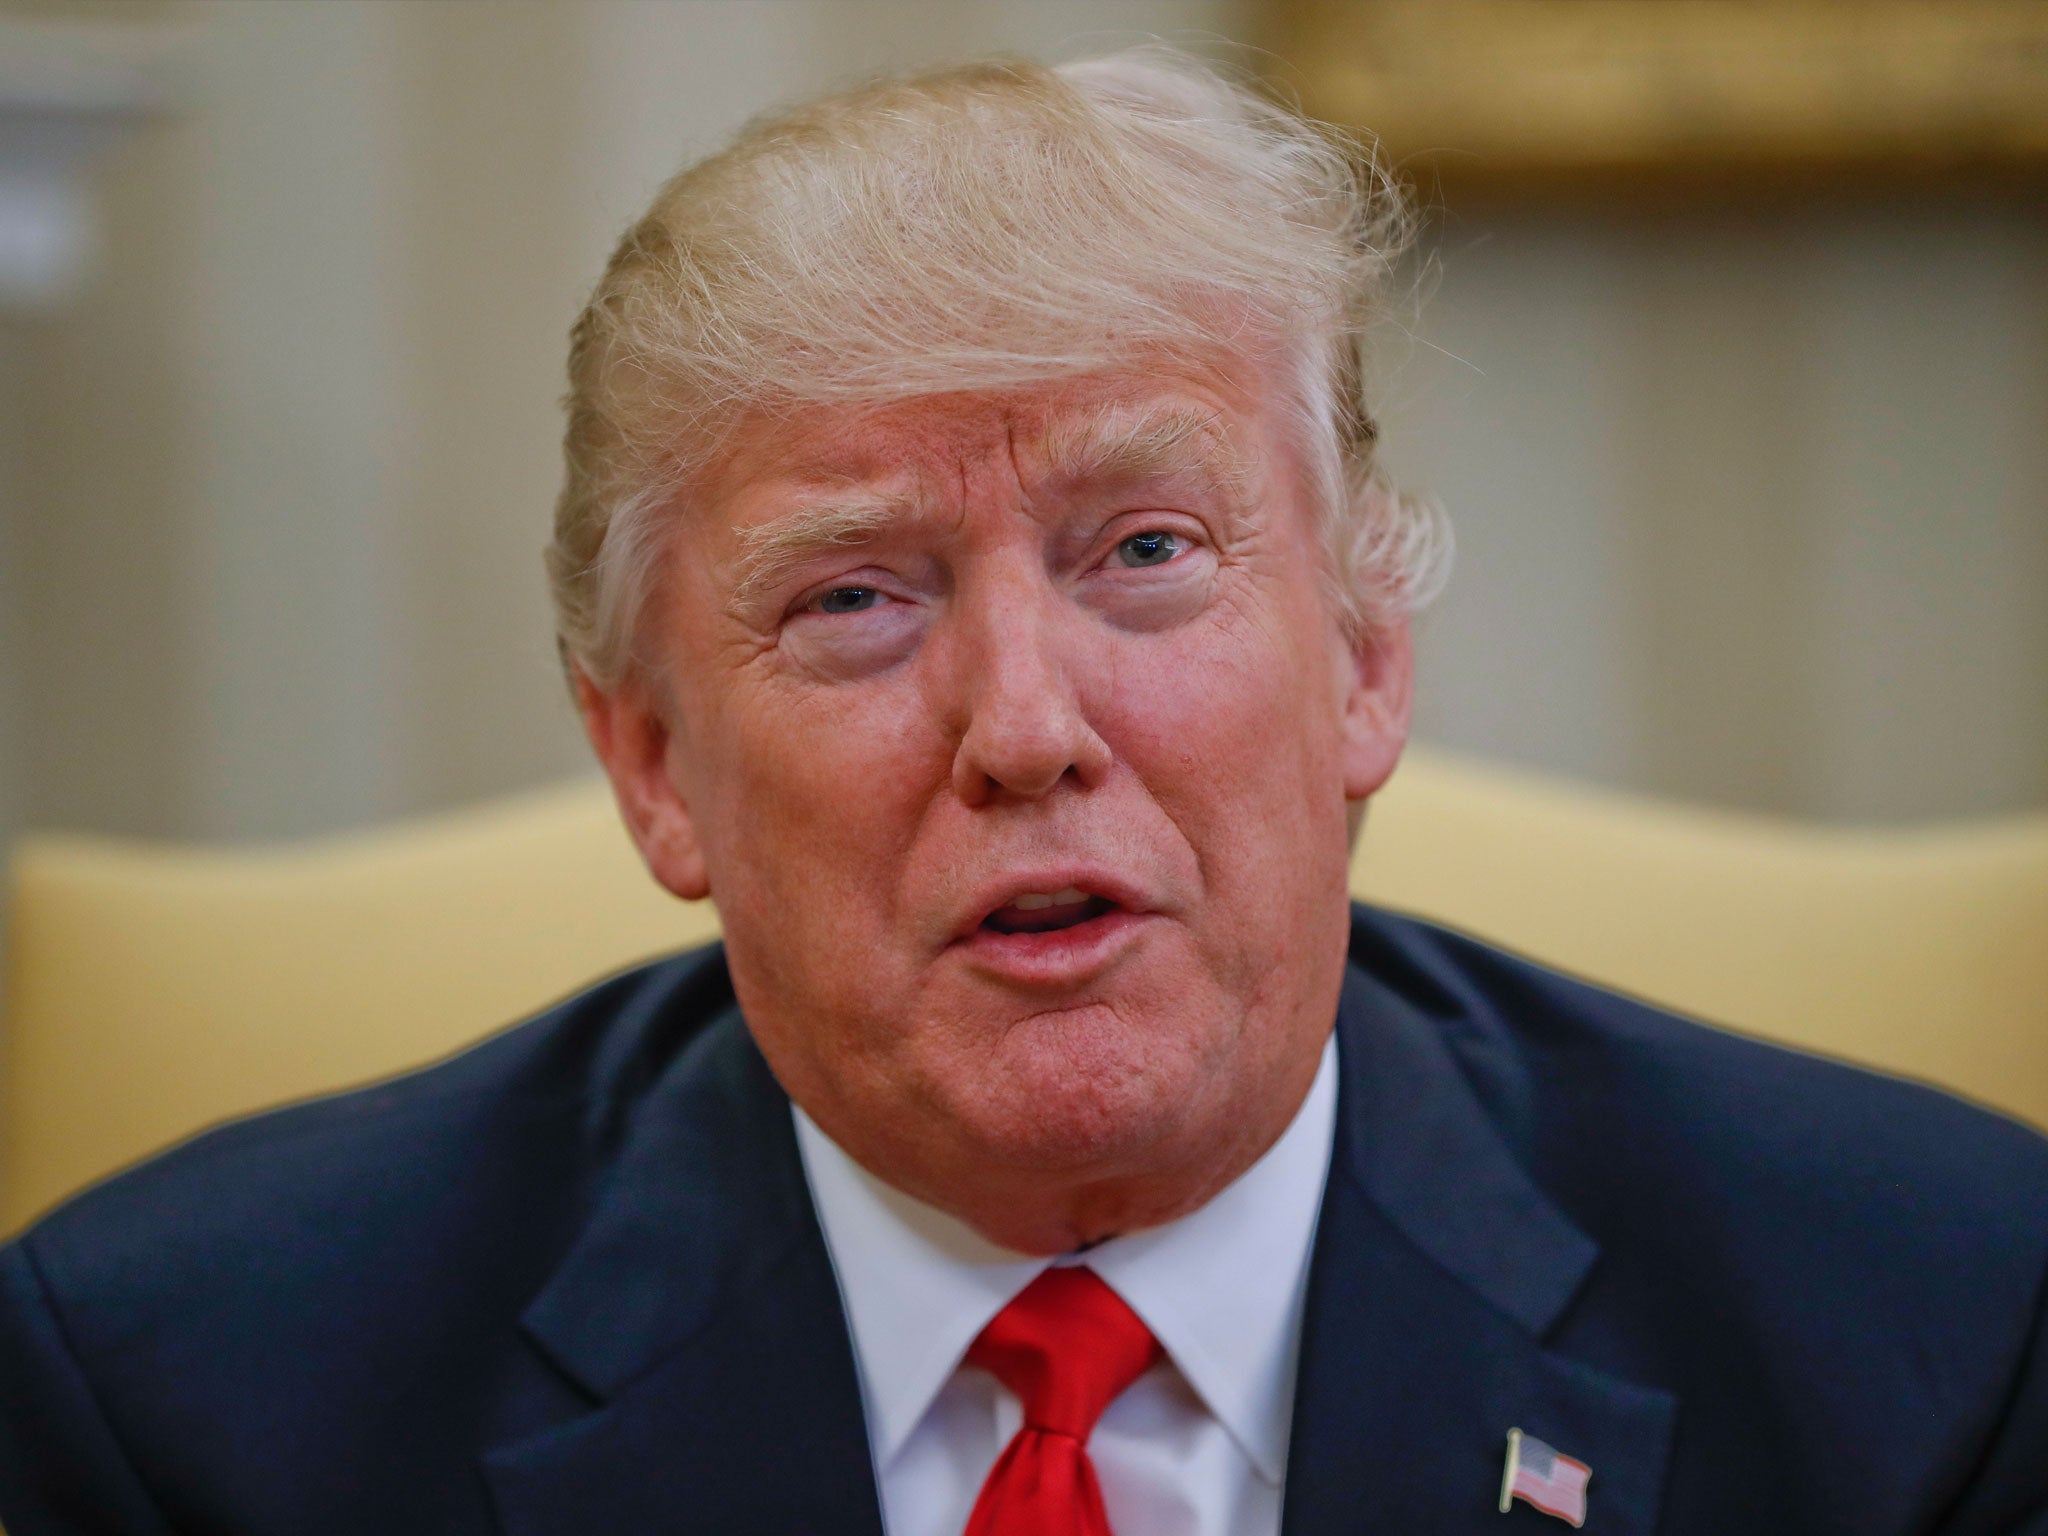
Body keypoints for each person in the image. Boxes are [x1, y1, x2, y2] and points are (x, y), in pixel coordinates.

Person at [1, 47, 2044, 1536]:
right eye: (858, 596)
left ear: (1360, 660)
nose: (1024, 724)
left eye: (1145, 552)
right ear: (651, 765)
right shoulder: (188, 1404)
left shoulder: (1934, 1328)